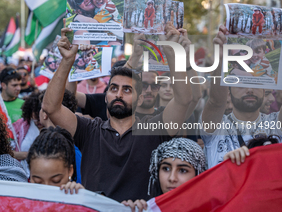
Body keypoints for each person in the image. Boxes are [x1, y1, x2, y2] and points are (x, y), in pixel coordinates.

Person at [42, 21, 192, 201]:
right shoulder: (89, 131)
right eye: (113, 88)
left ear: (141, 98)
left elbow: (184, 100)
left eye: (127, 90)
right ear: (105, 96)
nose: (119, 94)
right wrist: (67, 61)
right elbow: (51, 107)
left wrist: (172, 51)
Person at [199, 25, 282, 169]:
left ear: (265, 90)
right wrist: (220, 58)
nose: (250, 89)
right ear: (228, 91)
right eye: (241, 84)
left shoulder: (275, 124)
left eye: (256, 84)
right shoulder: (217, 127)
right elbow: (215, 102)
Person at [122, 138, 207, 212]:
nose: (172, 178)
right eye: (166, 169)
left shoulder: (214, 209)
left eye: (182, 170)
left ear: (198, 175)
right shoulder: (146, 209)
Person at [27, 126, 84, 194]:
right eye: (38, 182)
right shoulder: (21, 200)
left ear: (70, 171)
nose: (46, 189)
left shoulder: (77, 198)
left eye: (56, 181)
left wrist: (80, 197)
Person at [12, 92, 42, 161]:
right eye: (36, 115)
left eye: (41, 115)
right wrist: (28, 155)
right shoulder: (20, 125)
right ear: (30, 112)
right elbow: (8, 152)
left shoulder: (53, 127)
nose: (39, 120)